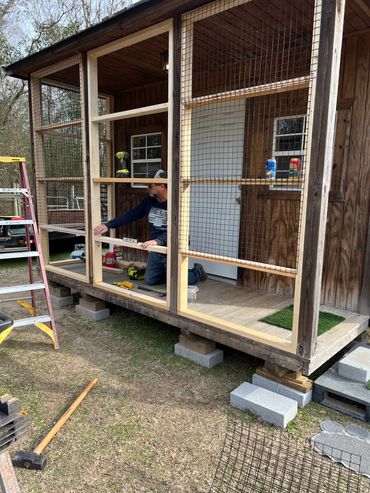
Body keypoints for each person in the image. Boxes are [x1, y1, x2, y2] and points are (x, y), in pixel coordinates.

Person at [93, 170, 207, 286]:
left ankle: (197, 272)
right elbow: (131, 215)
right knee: (150, 280)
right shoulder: (149, 202)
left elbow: (176, 231)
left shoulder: (176, 203)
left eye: (150, 185)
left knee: (179, 283)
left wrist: (157, 241)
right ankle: (169, 273)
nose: (147, 188)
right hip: (157, 248)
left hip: (174, 246)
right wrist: (108, 225)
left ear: (162, 186)